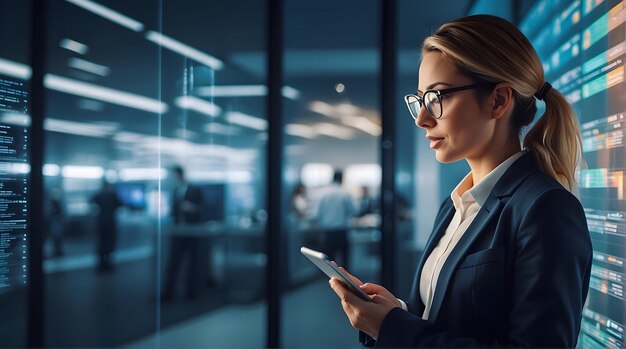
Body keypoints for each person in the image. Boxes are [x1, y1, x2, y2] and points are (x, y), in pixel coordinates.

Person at [329, 15, 592, 347]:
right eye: (420, 100)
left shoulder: (546, 208)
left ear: (498, 100)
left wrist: (393, 328)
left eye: (438, 97)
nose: (423, 119)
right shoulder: (456, 205)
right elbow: (445, 322)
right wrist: (394, 313)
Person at [162, 166, 208, 300]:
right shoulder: (176, 190)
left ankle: (191, 293)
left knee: (193, 263)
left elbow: (204, 208)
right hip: (178, 232)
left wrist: (192, 208)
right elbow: (174, 212)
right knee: (173, 262)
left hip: (192, 232)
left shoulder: (195, 189)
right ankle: (168, 292)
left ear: (179, 175)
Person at [315, 170, 355, 270]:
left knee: (329, 261)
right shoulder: (343, 193)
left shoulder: (323, 193)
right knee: (344, 260)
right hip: (341, 230)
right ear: (341, 179)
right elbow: (353, 211)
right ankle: (346, 281)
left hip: (327, 231)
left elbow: (316, 214)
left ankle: (330, 282)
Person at [91, 180, 122, 272]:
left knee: (101, 243)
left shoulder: (99, 195)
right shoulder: (113, 195)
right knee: (109, 242)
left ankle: (101, 264)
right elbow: (120, 204)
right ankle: (108, 263)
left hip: (101, 222)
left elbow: (91, 201)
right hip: (110, 222)